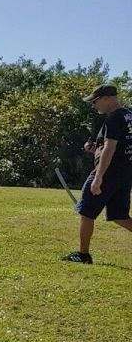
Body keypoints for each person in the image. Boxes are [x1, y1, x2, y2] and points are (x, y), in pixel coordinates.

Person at [62, 84, 132, 263]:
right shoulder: (128, 116)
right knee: (120, 216)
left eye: (95, 101)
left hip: (108, 172)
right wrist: (95, 150)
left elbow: (109, 149)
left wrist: (98, 178)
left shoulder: (114, 119)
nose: (94, 106)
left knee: (86, 211)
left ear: (107, 98)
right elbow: (120, 148)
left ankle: (83, 255)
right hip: (125, 173)